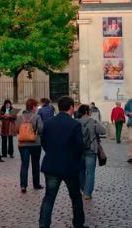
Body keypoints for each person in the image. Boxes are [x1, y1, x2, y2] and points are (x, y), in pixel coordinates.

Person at [39, 97, 86, 228]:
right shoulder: (74, 124)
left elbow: (44, 142)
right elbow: (79, 147)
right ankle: (78, 224)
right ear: (71, 107)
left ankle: (43, 224)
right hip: (69, 166)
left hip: (52, 164)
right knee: (76, 197)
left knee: (49, 197)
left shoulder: (48, 123)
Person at [78, 104, 106, 200]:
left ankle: (82, 189)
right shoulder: (93, 121)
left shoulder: (76, 122)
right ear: (87, 112)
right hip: (91, 149)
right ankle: (87, 193)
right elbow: (103, 131)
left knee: (81, 171)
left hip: (79, 150)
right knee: (90, 172)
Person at [18, 99, 44, 193]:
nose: (37, 108)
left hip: (22, 144)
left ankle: (23, 186)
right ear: (33, 107)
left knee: (24, 164)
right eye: (36, 106)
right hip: (35, 143)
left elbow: (17, 129)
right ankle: (36, 184)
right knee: (35, 164)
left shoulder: (20, 117)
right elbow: (41, 129)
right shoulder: (37, 117)